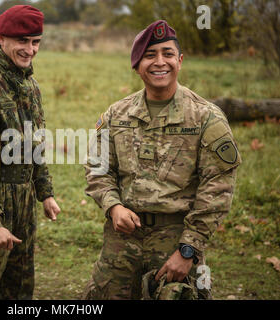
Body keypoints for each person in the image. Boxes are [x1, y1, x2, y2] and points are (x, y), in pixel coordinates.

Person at [82, 20, 241, 300]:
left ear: (180, 60)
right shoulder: (116, 115)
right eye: (150, 55)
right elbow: (98, 168)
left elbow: (217, 188)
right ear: (137, 65)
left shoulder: (206, 117)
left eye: (167, 54)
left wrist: (188, 250)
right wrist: (113, 205)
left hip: (176, 240)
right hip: (122, 239)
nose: (160, 62)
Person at [0, 5, 60, 300]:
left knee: (19, 287)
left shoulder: (29, 85)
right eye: (22, 41)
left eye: (35, 42)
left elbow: (36, 142)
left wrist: (45, 192)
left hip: (24, 202)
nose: (30, 49)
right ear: (1, 38)